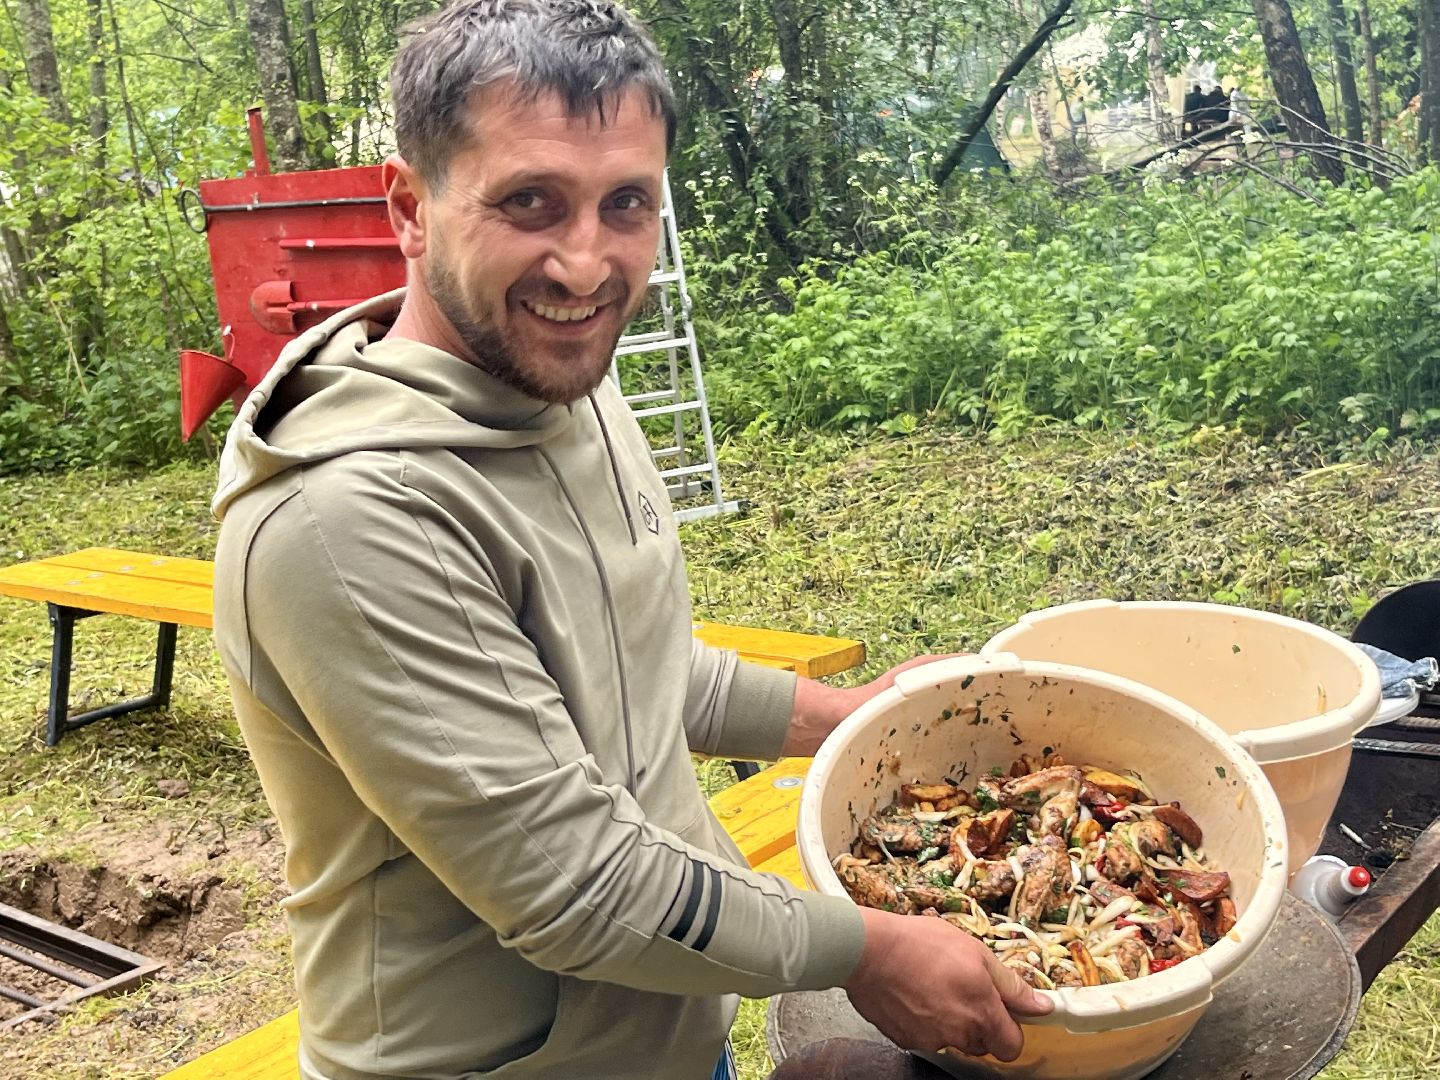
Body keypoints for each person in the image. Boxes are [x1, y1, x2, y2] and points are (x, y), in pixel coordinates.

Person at [209, 2, 1051, 1079]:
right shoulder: (347, 522)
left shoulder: (556, 380)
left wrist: (863, 716)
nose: (585, 264)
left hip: (663, 1025)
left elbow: (636, 666)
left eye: (626, 205)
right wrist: (863, 949)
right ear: (410, 208)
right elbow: (577, 892)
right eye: (529, 201)